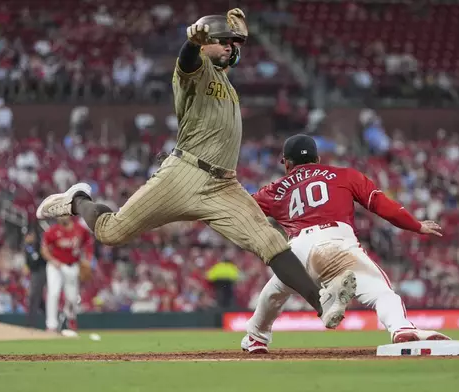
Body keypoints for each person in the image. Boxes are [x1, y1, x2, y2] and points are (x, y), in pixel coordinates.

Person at [35, 9, 355, 329]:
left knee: (271, 242)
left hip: (224, 186)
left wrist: (234, 36)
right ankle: (78, 199)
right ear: (205, 44)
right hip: (185, 173)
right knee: (110, 232)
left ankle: (322, 300)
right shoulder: (194, 70)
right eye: (223, 42)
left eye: (232, 44)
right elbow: (187, 60)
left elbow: (231, 56)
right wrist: (193, 43)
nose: (230, 48)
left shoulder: (223, 77)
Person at [240, 134, 450, 354]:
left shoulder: (275, 189)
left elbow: (241, 210)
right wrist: (415, 225)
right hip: (337, 241)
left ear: (287, 162)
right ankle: (400, 327)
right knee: (380, 291)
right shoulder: (344, 175)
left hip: (297, 249)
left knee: (274, 292)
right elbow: (380, 204)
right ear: (318, 158)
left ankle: (256, 337)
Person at [40, 217, 93, 332]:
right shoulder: (52, 231)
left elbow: (88, 244)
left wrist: (87, 260)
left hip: (72, 265)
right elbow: (44, 250)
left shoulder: (80, 229)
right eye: (59, 215)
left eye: (64, 214)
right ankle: (51, 325)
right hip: (55, 266)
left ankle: (71, 319)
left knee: (73, 297)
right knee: (53, 293)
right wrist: (52, 260)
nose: (61, 217)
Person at [23, 228, 47, 328]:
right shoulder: (27, 247)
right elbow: (30, 262)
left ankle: (31, 323)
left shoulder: (37, 245)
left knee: (34, 297)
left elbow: (38, 260)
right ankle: (49, 320)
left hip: (40, 272)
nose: (27, 238)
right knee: (37, 299)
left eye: (29, 235)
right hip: (35, 273)